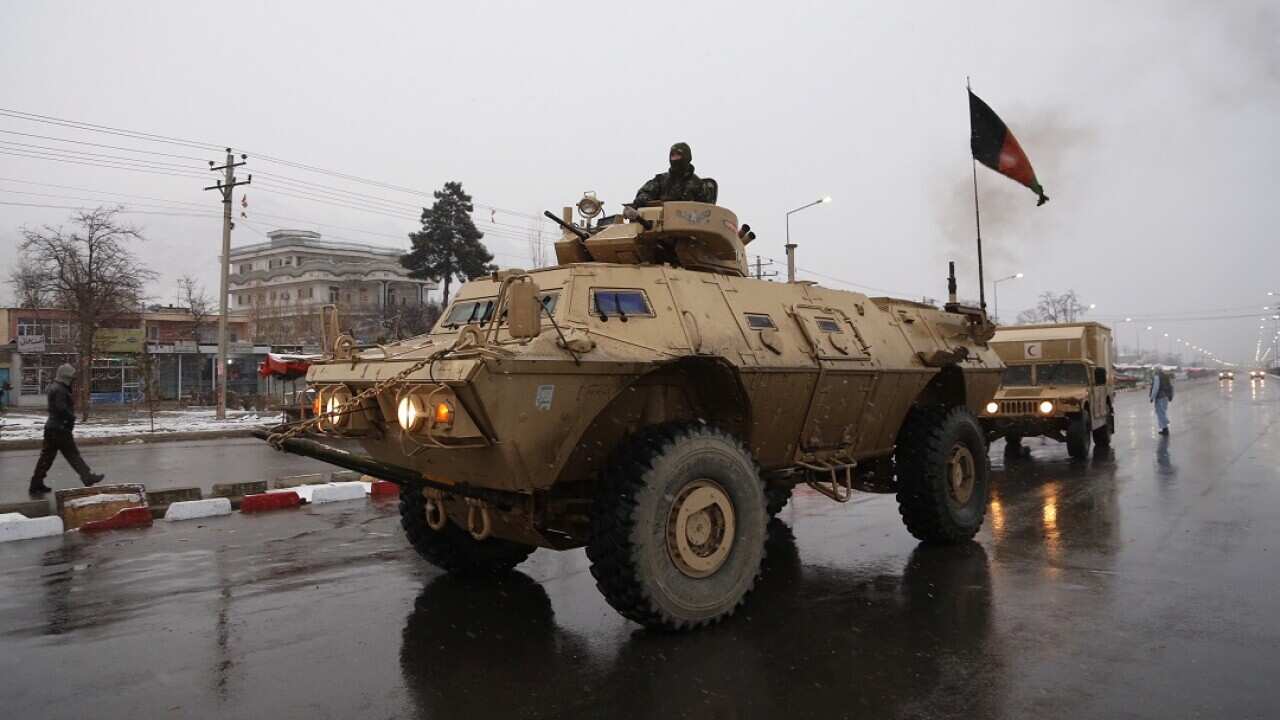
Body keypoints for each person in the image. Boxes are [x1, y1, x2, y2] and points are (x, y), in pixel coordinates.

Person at [29, 363, 104, 495]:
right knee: (72, 455)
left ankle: (36, 484)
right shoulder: (60, 389)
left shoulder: (55, 387)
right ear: (66, 377)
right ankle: (87, 477)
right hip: (60, 428)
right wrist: (71, 418)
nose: (73, 380)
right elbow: (60, 408)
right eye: (72, 378)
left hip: (53, 428)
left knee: (46, 458)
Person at [630, 142, 715, 207]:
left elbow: (708, 211)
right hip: (663, 225)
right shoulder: (660, 180)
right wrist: (642, 198)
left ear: (687, 157)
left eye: (678, 155)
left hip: (690, 225)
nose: (675, 159)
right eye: (672, 156)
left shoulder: (699, 185)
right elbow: (645, 193)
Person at [1149, 368, 1174, 436]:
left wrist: (1152, 397)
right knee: (1163, 412)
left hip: (1160, 397)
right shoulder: (1166, 377)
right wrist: (1171, 395)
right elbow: (1171, 387)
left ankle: (1165, 426)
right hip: (1166, 397)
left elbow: (1155, 388)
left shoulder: (1157, 377)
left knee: (1160, 413)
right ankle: (1164, 428)